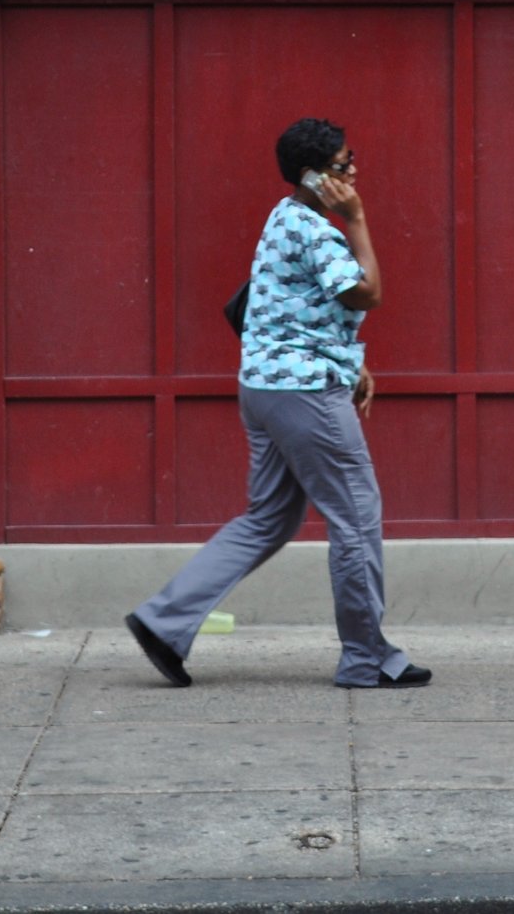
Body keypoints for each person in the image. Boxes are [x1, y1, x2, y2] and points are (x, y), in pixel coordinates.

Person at [124, 116, 431, 690]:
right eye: (344, 166)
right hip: (305, 394)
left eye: (353, 158)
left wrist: (350, 358)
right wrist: (358, 219)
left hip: (264, 387)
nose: (355, 171)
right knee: (357, 518)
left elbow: (292, 307)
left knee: (270, 517)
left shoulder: (284, 215)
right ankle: (367, 658)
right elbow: (368, 292)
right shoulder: (317, 228)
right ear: (315, 176)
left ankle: (163, 622)